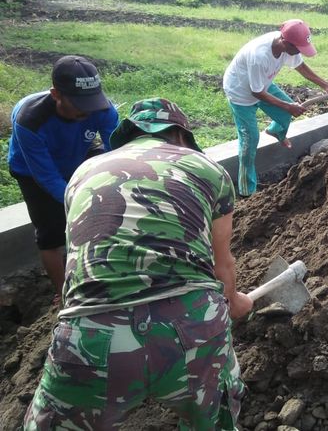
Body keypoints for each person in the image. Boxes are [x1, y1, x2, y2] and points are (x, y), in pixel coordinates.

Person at [23, 98, 254, 430]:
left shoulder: (83, 173)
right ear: (179, 136)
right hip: (193, 326)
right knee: (214, 418)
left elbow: (79, 258)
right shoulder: (206, 168)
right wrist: (234, 303)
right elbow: (222, 265)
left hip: (91, 335)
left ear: (129, 136)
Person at [7, 55, 119, 297]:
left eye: (92, 102)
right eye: (80, 103)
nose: (88, 110)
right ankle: (65, 295)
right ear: (56, 94)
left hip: (76, 151)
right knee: (51, 234)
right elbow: (47, 177)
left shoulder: (102, 109)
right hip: (32, 170)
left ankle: (98, 270)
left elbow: (117, 151)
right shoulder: (30, 121)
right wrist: (80, 202)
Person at [223, 19, 328, 196]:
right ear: (285, 42)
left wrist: (326, 86)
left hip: (261, 84)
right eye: (298, 49)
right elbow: (257, 94)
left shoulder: (287, 47)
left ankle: (276, 131)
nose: (299, 53)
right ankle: (247, 190)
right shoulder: (259, 56)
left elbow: (301, 67)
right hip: (240, 92)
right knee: (250, 141)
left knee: (286, 114)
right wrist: (287, 106)